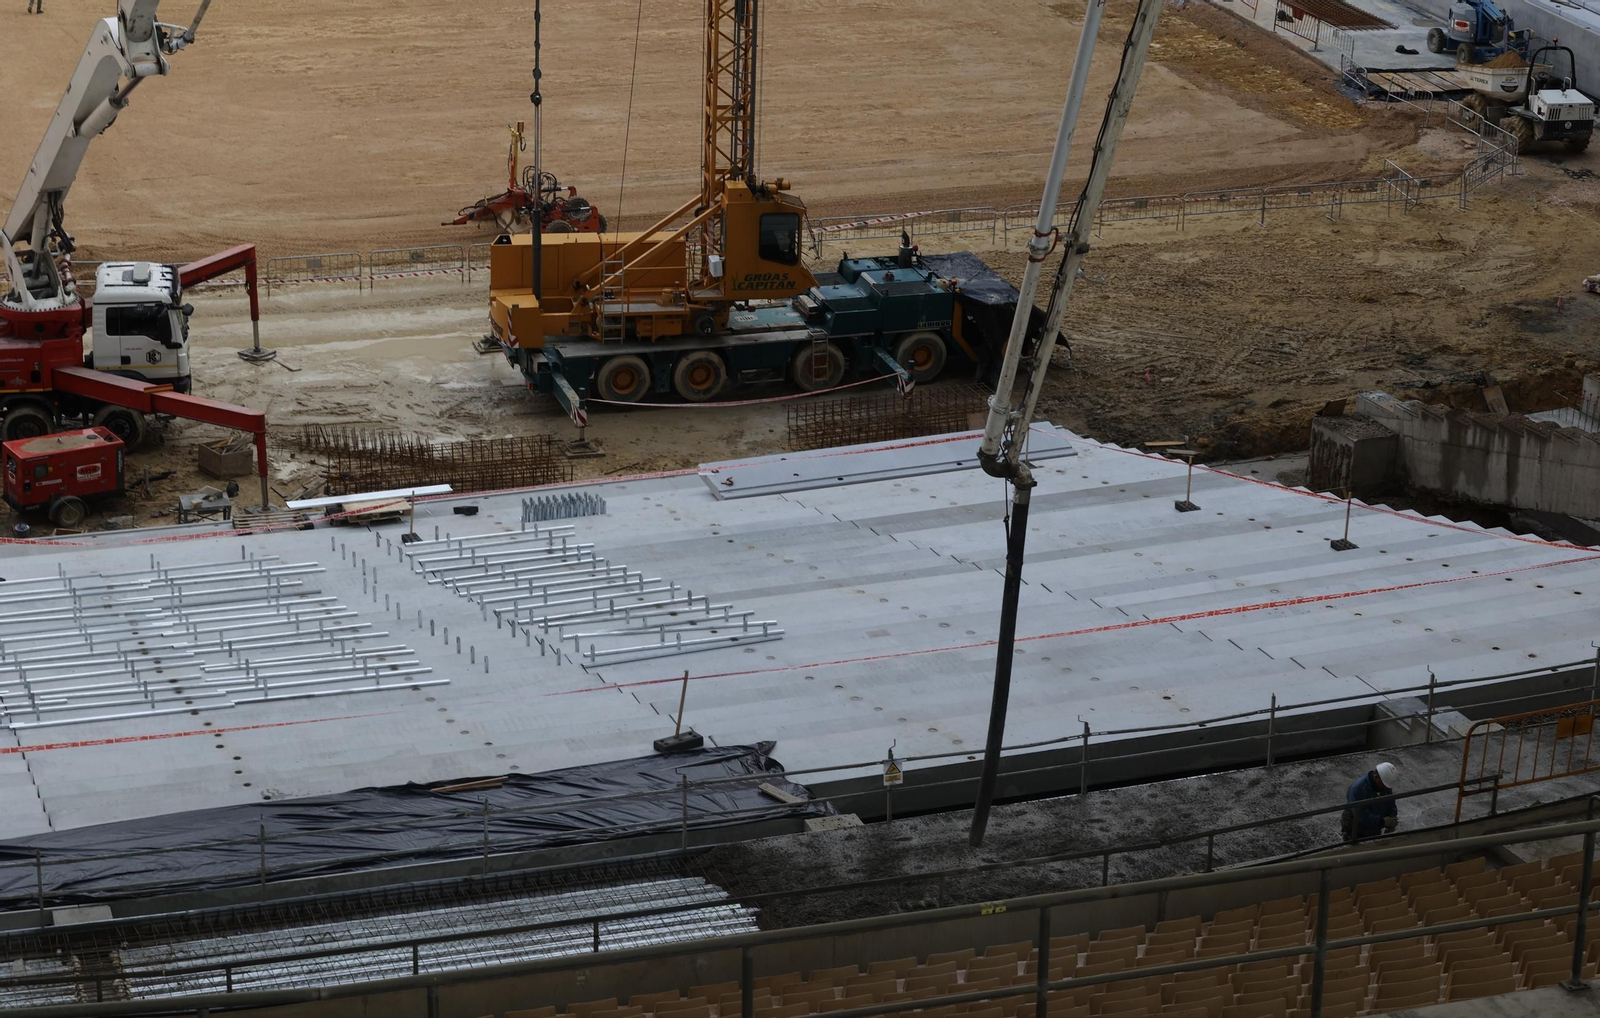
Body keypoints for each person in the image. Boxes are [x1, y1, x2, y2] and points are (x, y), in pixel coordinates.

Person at [1342, 761, 1399, 843]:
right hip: (1355, 828)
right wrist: (1382, 822)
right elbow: (1361, 816)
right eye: (1382, 784)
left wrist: (1392, 818)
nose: (1384, 787)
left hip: (1374, 827)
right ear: (1375, 776)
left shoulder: (1384, 785)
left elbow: (1390, 803)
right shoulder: (1358, 788)